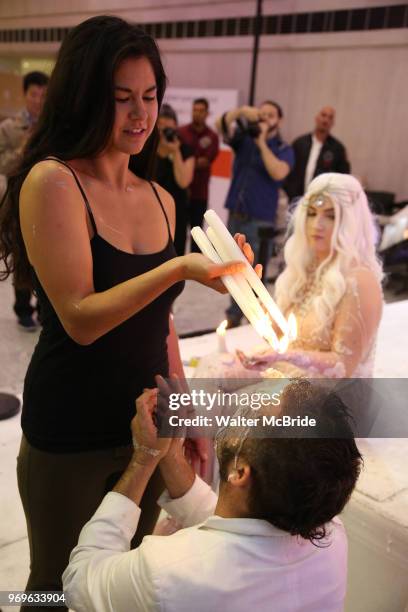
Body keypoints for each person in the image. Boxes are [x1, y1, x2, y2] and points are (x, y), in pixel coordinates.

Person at [0, 16, 253, 609]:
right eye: (121, 100)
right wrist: (178, 268)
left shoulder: (161, 197)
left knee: (129, 578)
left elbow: (160, 321)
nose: (140, 115)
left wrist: (187, 409)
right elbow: (81, 317)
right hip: (70, 425)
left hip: (147, 424)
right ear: (87, 98)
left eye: (149, 96)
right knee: (56, 587)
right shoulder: (54, 182)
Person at [63, 378, 362, 612]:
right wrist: (170, 456)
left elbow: (79, 580)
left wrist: (144, 458)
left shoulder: (166, 574)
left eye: (253, 412)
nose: (243, 408)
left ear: (240, 473)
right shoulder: (329, 532)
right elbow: (233, 529)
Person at [239, 173, 383, 379]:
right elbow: (281, 338)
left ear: (350, 223)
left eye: (331, 216)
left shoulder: (359, 280)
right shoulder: (303, 267)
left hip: (332, 400)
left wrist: (288, 356)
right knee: (216, 371)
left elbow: (343, 367)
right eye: (312, 213)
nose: (318, 224)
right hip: (290, 379)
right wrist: (249, 294)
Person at [216, 101, 294, 327]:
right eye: (262, 114)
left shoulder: (283, 148)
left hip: (261, 220)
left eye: (271, 115)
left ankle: (257, 318)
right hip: (236, 214)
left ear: (279, 120)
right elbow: (219, 126)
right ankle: (233, 314)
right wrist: (240, 112)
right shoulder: (244, 139)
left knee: (255, 272)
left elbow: (278, 172)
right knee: (232, 268)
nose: (265, 118)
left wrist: (261, 142)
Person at [0, 71, 49, 330]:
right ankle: (22, 307)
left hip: (49, 203)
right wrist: (22, 149)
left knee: (47, 257)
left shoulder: (54, 127)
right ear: (25, 94)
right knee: (21, 257)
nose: (38, 100)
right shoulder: (9, 128)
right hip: (18, 202)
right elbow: (2, 164)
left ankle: (45, 308)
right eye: (34, 94)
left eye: (43, 95)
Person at [178, 98, 219, 250]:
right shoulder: (180, 132)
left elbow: (205, 162)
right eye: (195, 110)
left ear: (207, 113)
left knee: (198, 237)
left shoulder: (212, 137)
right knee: (178, 236)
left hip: (199, 194)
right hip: (181, 192)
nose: (197, 113)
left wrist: (186, 162)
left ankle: (195, 272)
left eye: (201, 110)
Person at [284, 106, 350, 201]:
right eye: (323, 115)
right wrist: (290, 191)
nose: (326, 120)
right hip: (296, 199)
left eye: (330, 117)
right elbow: (289, 170)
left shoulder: (337, 149)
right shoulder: (299, 143)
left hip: (321, 202)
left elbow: (342, 177)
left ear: (333, 123)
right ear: (316, 118)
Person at [155, 104, 194, 255]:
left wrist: (175, 151)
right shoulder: (147, 149)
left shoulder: (184, 149)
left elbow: (183, 181)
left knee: (175, 253)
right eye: (160, 125)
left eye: (167, 127)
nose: (163, 130)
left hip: (177, 208)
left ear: (176, 126)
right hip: (153, 206)